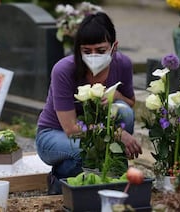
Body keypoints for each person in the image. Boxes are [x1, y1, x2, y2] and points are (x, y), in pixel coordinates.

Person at [35, 12, 142, 195]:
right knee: (86, 150)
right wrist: (117, 134)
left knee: (124, 113)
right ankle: (60, 183)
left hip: (95, 131)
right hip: (54, 134)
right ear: (79, 50)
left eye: (101, 51)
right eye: (86, 51)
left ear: (114, 47)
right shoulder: (63, 70)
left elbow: (130, 103)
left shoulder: (122, 64)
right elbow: (70, 128)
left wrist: (117, 96)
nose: (93, 56)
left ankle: (110, 180)